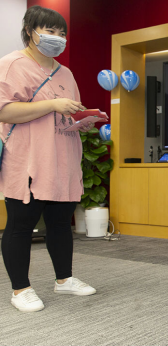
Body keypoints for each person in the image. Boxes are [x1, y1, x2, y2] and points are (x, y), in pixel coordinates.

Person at [0, 5, 96, 313]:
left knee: (59, 224)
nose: (57, 38)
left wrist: (82, 120)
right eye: (50, 31)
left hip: (63, 157)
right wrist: (53, 103)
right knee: (20, 225)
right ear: (30, 31)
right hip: (28, 158)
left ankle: (64, 279)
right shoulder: (12, 65)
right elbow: (5, 111)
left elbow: (64, 112)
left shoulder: (64, 72)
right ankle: (20, 289)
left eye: (62, 33)